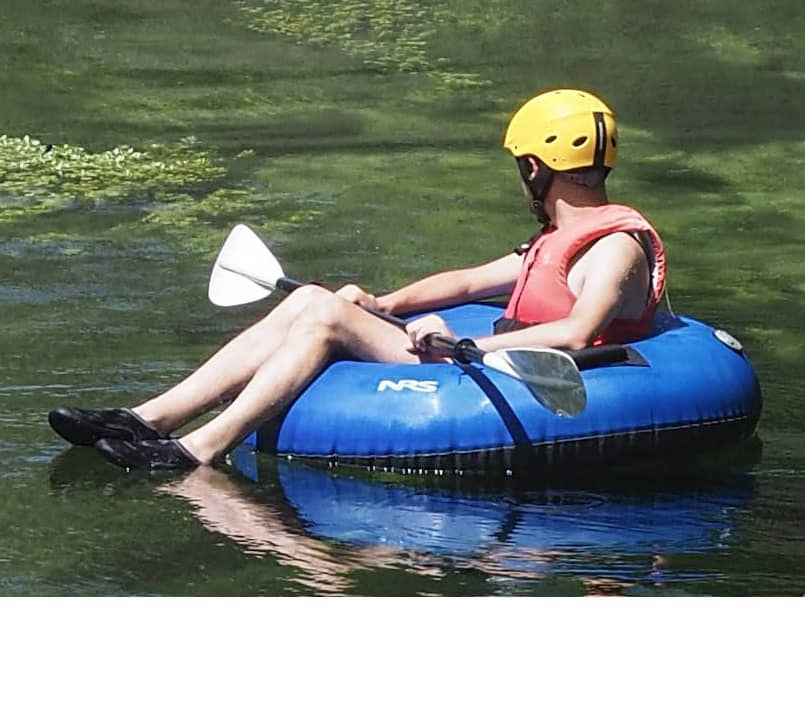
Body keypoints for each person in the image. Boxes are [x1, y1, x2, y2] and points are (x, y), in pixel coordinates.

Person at [49, 88, 666, 470]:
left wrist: (473, 346)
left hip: (532, 372)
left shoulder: (614, 247)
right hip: (483, 358)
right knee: (318, 298)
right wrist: (383, 300)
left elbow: (580, 332)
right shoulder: (556, 240)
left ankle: (201, 449)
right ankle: (146, 419)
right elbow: (471, 280)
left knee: (321, 316)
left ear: (535, 168)